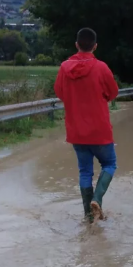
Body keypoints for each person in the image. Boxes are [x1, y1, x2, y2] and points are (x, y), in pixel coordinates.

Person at [54, 27, 119, 222]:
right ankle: (97, 198)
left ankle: (88, 217)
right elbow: (113, 92)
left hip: (76, 131)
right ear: (95, 46)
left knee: (85, 171)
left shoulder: (64, 68)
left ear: (76, 45)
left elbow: (59, 92)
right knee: (110, 164)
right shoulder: (101, 68)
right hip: (100, 130)